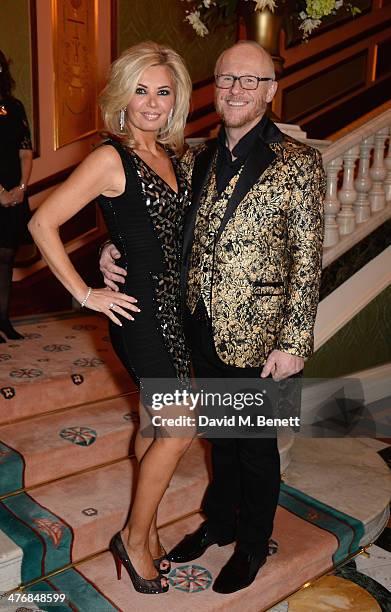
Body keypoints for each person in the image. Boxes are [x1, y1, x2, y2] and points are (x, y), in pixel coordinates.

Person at [100, 40, 326, 594]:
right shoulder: (192, 156)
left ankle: (251, 544)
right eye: (228, 79)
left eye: (252, 81)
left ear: (270, 91)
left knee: (254, 447)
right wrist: (108, 252)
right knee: (218, 439)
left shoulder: (298, 162)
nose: (237, 90)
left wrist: (294, 340)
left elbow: (308, 256)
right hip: (195, 324)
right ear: (213, 86)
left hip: (261, 335)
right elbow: (154, 227)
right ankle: (218, 523)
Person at [28, 41, 195, 595]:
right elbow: (42, 223)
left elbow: (152, 231)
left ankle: (144, 536)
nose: (151, 102)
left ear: (177, 100)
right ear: (122, 98)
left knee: (155, 427)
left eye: (162, 91)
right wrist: (85, 293)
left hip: (177, 315)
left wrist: (110, 244)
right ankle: (131, 534)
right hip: (139, 314)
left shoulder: (173, 156)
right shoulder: (110, 156)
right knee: (179, 429)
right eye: (141, 90)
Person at [0, 50, 33, 342]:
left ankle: (3, 320)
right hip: (0, 193)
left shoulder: (14, 106)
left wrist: (20, 188)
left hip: (14, 193)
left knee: (6, 258)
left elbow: (25, 152)